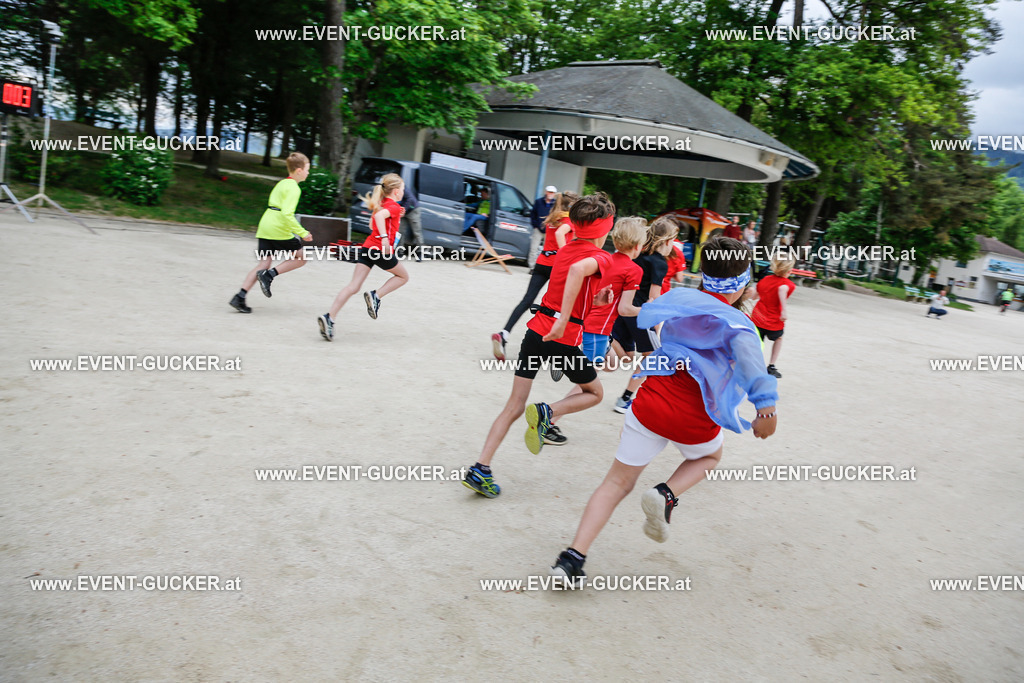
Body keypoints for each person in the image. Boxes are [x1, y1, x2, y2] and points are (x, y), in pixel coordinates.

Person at [549, 236, 779, 581]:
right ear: (744, 282)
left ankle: (571, 559)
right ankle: (666, 494)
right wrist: (766, 411)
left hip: (650, 402)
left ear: (705, 271)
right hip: (695, 416)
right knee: (708, 458)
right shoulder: (737, 324)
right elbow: (753, 370)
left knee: (615, 483)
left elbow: (651, 326)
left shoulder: (679, 300)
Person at [463, 193, 617, 498]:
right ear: (605, 229)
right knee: (595, 393)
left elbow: (572, 280)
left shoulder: (566, 248)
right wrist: (563, 320)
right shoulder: (602, 257)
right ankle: (548, 412)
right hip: (562, 339)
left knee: (514, 405)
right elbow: (577, 273)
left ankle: (480, 467)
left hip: (536, 333)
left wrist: (595, 300)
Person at [317, 173, 409, 340]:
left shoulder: (382, 205)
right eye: (403, 189)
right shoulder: (392, 207)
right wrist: (385, 239)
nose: (404, 192)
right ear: (396, 191)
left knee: (353, 286)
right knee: (403, 276)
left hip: (367, 248)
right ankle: (376, 295)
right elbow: (380, 218)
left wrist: (395, 218)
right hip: (380, 250)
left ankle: (329, 317)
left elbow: (372, 223)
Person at [491, 192, 579, 361]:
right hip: (556, 266)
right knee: (557, 306)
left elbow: (553, 234)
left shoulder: (553, 218)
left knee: (527, 300)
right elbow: (561, 235)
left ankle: (504, 333)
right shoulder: (568, 221)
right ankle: (550, 346)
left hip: (541, 262)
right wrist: (565, 256)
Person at [609, 217, 678, 413]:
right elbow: (654, 298)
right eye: (673, 240)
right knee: (655, 358)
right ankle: (625, 399)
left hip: (624, 309)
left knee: (628, 356)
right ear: (667, 241)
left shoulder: (639, 255)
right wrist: (658, 329)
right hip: (639, 315)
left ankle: (609, 340)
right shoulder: (659, 263)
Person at [230, 152, 313, 313]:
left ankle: (239, 297)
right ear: (298, 170)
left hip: (266, 225)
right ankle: (270, 275)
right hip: (278, 229)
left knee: (263, 263)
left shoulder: (282, 183)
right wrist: (302, 233)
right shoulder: (294, 188)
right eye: (307, 169)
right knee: (302, 258)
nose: (308, 172)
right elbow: (287, 214)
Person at [582, 217, 646, 365]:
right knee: (591, 386)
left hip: (584, 321)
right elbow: (624, 309)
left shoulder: (603, 259)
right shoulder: (634, 270)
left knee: (611, 365)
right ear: (637, 246)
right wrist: (648, 309)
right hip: (597, 328)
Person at [750, 255, 796, 378]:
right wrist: (784, 311)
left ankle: (753, 365)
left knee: (758, 341)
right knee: (778, 338)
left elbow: (755, 297)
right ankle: (771, 366)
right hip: (773, 320)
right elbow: (782, 290)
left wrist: (752, 291)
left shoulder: (764, 280)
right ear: (789, 270)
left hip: (758, 316)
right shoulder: (789, 284)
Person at [528, 185, 558, 267]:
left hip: (549, 230)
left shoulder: (555, 204)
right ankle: (532, 266)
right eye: (549, 192)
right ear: (546, 192)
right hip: (538, 228)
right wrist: (535, 225)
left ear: (554, 194)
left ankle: (544, 265)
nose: (550, 194)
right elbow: (533, 213)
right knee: (534, 248)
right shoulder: (539, 202)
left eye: (552, 192)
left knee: (547, 249)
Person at [399, 181, 424, 261]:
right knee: (400, 232)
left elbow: (410, 199)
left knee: (417, 232)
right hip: (403, 211)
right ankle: (400, 252)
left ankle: (420, 252)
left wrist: (404, 210)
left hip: (413, 210)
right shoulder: (392, 188)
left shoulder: (402, 188)